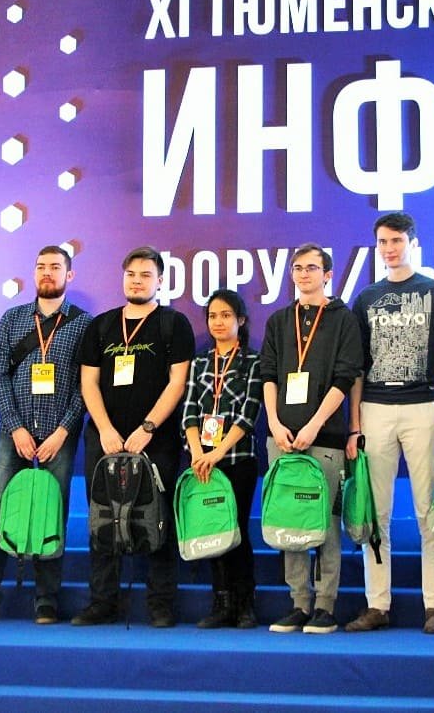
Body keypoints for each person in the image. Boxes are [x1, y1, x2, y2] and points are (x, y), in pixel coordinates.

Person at [0, 246, 92, 625]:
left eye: (55, 267)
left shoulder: (83, 324)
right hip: (13, 435)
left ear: (69, 275)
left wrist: (63, 431)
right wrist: (15, 427)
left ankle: (46, 601)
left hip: (59, 436)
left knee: (51, 517)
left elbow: (86, 385)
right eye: (41, 266)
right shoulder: (12, 319)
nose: (47, 272)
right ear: (33, 273)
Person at [344, 212, 434, 634]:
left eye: (396, 241)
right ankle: (378, 605)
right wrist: (355, 423)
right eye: (383, 242)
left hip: (422, 407)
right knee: (376, 513)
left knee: (430, 509)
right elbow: (356, 368)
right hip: (375, 408)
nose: (390, 249)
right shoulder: (366, 298)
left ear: (413, 243)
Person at [71, 246, 195, 627]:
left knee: (158, 517)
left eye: (145, 275)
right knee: (104, 517)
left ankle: (161, 604)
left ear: (160, 281)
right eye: (131, 275)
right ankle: (102, 602)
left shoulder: (173, 324)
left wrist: (148, 428)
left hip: (156, 439)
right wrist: (105, 429)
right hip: (104, 438)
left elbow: (178, 383)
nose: (137, 281)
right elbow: (88, 382)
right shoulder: (101, 326)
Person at [260, 243, 362, 634]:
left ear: (328, 275)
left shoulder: (343, 319)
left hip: (325, 437)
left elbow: (345, 377)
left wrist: (315, 425)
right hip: (282, 438)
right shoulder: (279, 320)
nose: (304, 274)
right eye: (298, 268)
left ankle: (325, 605)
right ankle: (299, 602)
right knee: (289, 520)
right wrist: (274, 422)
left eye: (312, 268)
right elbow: (268, 375)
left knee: (326, 525)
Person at [182, 289, 263, 629]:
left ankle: (245, 604)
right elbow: (189, 410)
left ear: (240, 320)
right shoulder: (200, 362)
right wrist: (198, 452)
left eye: (226, 315)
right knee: (212, 530)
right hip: (202, 461)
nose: (218, 322)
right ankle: (221, 603)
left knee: (236, 530)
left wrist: (217, 452)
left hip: (237, 458)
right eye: (213, 316)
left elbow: (249, 414)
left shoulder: (253, 361)